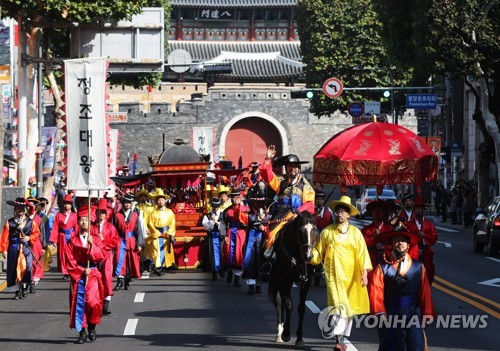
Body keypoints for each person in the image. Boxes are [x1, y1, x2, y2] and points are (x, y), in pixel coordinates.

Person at [308, 195, 372, 351]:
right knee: (338, 307)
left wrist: (364, 274)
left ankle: (343, 337)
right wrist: (309, 256)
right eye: (337, 211)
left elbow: (363, 254)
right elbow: (318, 251)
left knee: (349, 309)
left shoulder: (356, 233)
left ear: (349, 214)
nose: (340, 214)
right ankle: (338, 340)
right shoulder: (327, 232)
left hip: (351, 276)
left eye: (343, 212)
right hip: (333, 275)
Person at [369, 227, 435, 351]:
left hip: (413, 313)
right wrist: (380, 313)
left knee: (415, 345)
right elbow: (376, 291)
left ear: (408, 244)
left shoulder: (418, 267)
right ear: (392, 243)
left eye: (403, 240)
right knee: (391, 346)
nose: (400, 243)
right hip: (391, 312)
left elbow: (424, 292)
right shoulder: (383, 267)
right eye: (397, 240)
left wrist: (426, 313)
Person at [260, 145, 315, 250]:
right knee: (270, 235)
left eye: (295, 166)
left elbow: (310, 203)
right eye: (290, 166)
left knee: (311, 234)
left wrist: (298, 212)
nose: (292, 168)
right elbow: (267, 175)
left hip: (298, 214)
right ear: (286, 168)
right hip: (280, 214)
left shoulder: (305, 184)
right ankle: (268, 258)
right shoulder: (280, 182)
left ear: (299, 169)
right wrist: (268, 159)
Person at [64, 205, 105, 344]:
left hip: (93, 273)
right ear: (78, 222)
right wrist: (81, 270)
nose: (84, 223)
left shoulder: (95, 239)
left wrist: (92, 245)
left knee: (93, 302)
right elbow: (69, 260)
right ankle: (81, 332)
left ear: (90, 221)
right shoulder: (72, 241)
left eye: (86, 220)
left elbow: (101, 256)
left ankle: (92, 327)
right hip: (78, 275)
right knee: (78, 304)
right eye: (81, 220)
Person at [1, 197, 41, 299]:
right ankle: (17, 291)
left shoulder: (30, 222)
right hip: (13, 248)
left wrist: (29, 237)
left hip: (26, 249)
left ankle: (25, 286)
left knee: (27, 268)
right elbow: (5, 236)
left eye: (22, 208)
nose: (20, 210)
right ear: (15, 209)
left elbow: (36, 233)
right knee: (14, 270)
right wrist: (4, 249)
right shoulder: (9, 222)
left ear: (25, 210)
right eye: (18, 208)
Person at [361, 200, 394, 291]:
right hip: (371, 263)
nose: (377, 213)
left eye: (380, 210)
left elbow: (394, 246)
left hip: (387, 263)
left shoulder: (390, 229)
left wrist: (384, 247)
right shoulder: (366, 229)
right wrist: (373, 238)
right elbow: (362, 245)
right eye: (374, 211)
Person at [113, 194, 145, 289]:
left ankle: (127, 282)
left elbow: (138, 230)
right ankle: (119, 282)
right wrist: (113, 242)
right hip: (120, 240)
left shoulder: (135, 215)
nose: (127, 205)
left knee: (131, 261)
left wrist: (140, 243)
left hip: (131, 241)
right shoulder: (117, 215)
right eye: (125, 203)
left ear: (131, 204)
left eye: (128, 203)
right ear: (122, 204)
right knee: (119, 260)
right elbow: (113, 230)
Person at [95, 198, 120, 315]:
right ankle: (96, 303)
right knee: (95, 279)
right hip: (94, 257)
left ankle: (106, 302)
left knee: (106, 278)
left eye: (103, 212)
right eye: (99, 212)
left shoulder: (110, 227)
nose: (101, 214)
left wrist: (103, 240)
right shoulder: (91, 227)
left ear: (106, 215)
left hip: (106, 256)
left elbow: (115, 241)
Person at [220, 190, 249, 288]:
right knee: (228, 254)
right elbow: (223, 223)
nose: (234, 199)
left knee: (239, 255)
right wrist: (224, 236)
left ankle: (237, 279)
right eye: (232, 197)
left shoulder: (246, 209)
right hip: (230, 233)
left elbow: (249, 222)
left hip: (241, 233)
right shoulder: (227, 210)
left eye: (236, 196)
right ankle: (229, 272)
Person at [406, 196, 437, 285]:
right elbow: (406, 238)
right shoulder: (409, 224)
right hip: (413, 251)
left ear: (424, 210)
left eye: (420, 208)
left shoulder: (429, 225)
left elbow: (434, 237)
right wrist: (414, 246)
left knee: (428, 272)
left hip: (425, 250)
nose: (419, 210)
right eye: (417, 208)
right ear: (414, 210)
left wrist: (425, 236)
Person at [145, 188, 176, 275]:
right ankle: (157, 267)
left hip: (166, 233)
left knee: (165, 250)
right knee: (156, 250)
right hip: (157, 233)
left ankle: (162, 267)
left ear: (165, 201)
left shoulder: (170, 212)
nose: (160, 202)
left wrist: (170, 233)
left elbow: (172, 223)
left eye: (162, 200)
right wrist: (156, 232)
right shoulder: (153, 213)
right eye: (159, 200)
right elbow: (150, 223)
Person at [50, 194, 78, 279]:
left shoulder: (74, 215)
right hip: (62, 236)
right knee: (62, 254)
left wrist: (77, 238)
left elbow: (76, 227)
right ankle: (65, 272)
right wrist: (54, 240)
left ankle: (71, 270)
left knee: (71, 254)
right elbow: (55, 227)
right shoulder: (59, 215)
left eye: (68, 204)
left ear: (71, 205)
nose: (66, 205)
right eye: (65, 203)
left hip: (71, 236)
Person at [202, 197, 225, 281]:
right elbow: (206, 227)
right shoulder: (207, 216)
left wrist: (218, 223)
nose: (215, 208)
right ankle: (214, 272)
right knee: (212, 255)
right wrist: (211, 221)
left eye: (217, 206)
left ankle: (221, 269)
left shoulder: (223, 214)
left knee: (221, 253)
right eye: (214, 206)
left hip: (220, 236)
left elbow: (225, 225)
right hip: (212, 237)